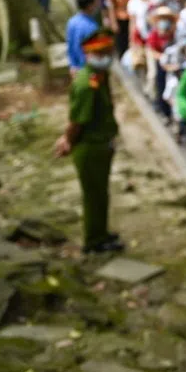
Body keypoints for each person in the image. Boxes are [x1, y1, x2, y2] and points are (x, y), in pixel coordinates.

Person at [54, 30, 123, 253]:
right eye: (103, 52)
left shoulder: (99, 77)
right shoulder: (86, 84)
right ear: (90, 54)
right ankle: (94, 241)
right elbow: (77, 121)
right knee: (94, 195)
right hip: (91, 147)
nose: (108, 56)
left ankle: (101, 232)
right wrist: (67, 140)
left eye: (109, 51)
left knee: (100, 193)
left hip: (102, 143)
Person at [66, 0, 101, 75]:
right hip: (88, 70)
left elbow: (70, 45)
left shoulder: (72, 21)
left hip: (75, 67)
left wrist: (72, 65)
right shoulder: (91, 26)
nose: (97, 5)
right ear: (89, 6)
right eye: (95, 3)